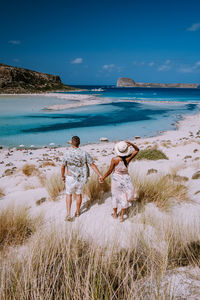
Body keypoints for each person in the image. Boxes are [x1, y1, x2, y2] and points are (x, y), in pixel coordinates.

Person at [61, 136, 102, 221]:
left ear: (71, 143)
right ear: (79, 143)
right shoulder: (84, 153)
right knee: (78, 194)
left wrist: (62, 176)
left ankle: (68, 214)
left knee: (69, 194)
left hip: (70, 177)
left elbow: (63, 166)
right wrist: (100, 175)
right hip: (81, 178)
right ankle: (77, 212)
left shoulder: (67, 153)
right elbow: (92, 165)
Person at [100, 141, 139, 222]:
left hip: (116, 179)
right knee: (124, 197)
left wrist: (103, 177)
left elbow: (110, 171)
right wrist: (131, 144)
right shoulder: (128, 158)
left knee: (115, 196)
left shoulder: (114, 159)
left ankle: (115, 214)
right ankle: (121, 217)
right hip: (126, 179)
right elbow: (137, 150)